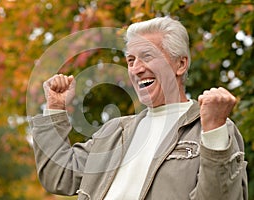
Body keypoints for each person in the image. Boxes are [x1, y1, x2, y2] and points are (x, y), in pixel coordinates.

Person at [29, 16, 248, 199]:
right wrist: (55, 109)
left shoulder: (212, 128)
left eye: (147, 56)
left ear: (180, 64)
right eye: (131, 60)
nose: (136, 69)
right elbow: (57, 175)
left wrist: (214, 131)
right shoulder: (115, 131)